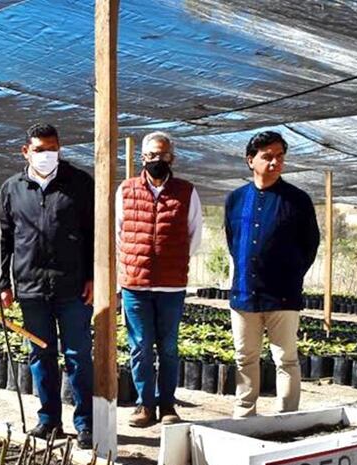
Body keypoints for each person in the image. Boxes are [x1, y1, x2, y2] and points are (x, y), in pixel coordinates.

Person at [0, 123, 95, 448]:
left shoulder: (80, 184)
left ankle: (85, 424)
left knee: (78, 355)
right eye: (39, 149)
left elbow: (95, 233)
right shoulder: (12, 189)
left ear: (60, 149)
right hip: (30, 287)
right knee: (40, 354)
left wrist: (95, 276)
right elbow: (5, 239)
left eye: (51, 148)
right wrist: (3, 283)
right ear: (25, 151)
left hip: (73, 287)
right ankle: (49, 420)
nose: (45, 155)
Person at [224, 130, 319, 418]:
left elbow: (310, 244)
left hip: (283, 295)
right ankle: (244, 413)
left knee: (286, 359)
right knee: (245, 358)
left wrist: (289, 275)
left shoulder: (297, 200)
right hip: (244, 293)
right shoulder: (236, 199)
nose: (275, 162)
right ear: (251, 160)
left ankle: (287, 417)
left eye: (279, 157)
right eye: (267, 157)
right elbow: (233, 240)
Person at [118, 132, 203, 427]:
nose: (158, 160)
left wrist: (173, 262)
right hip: (135, 285)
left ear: (172, 158)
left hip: (171, 286)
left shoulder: (186, 191)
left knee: (168, 347)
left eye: (163, 155)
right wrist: (134, 263)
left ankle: (167, 405)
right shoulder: (126, 190)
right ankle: (144, 405)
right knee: (140, 346)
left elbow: (194, 235)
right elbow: (119, 232)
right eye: (152, 155)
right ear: (143, 158)